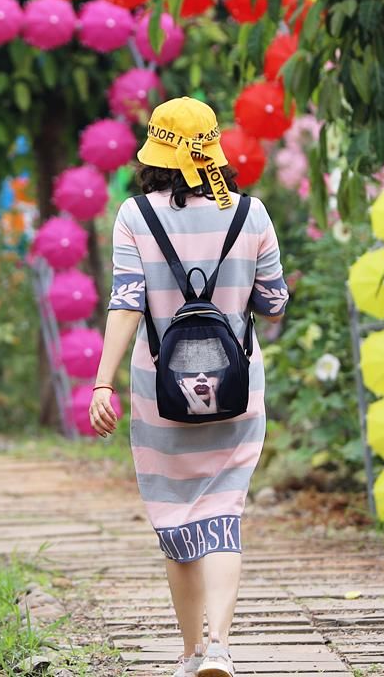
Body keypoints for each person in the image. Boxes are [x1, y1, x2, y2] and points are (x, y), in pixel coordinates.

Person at [87, 97, 287, 677]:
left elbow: (126, 302)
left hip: (160, 394)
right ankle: (221, 646)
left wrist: (103, 384)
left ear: (155, 153)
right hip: (236, 388)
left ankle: (191, 652)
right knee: (226, 508)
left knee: (175, 517)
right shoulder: (251, 213)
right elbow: (272, 303)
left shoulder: (133, 216)